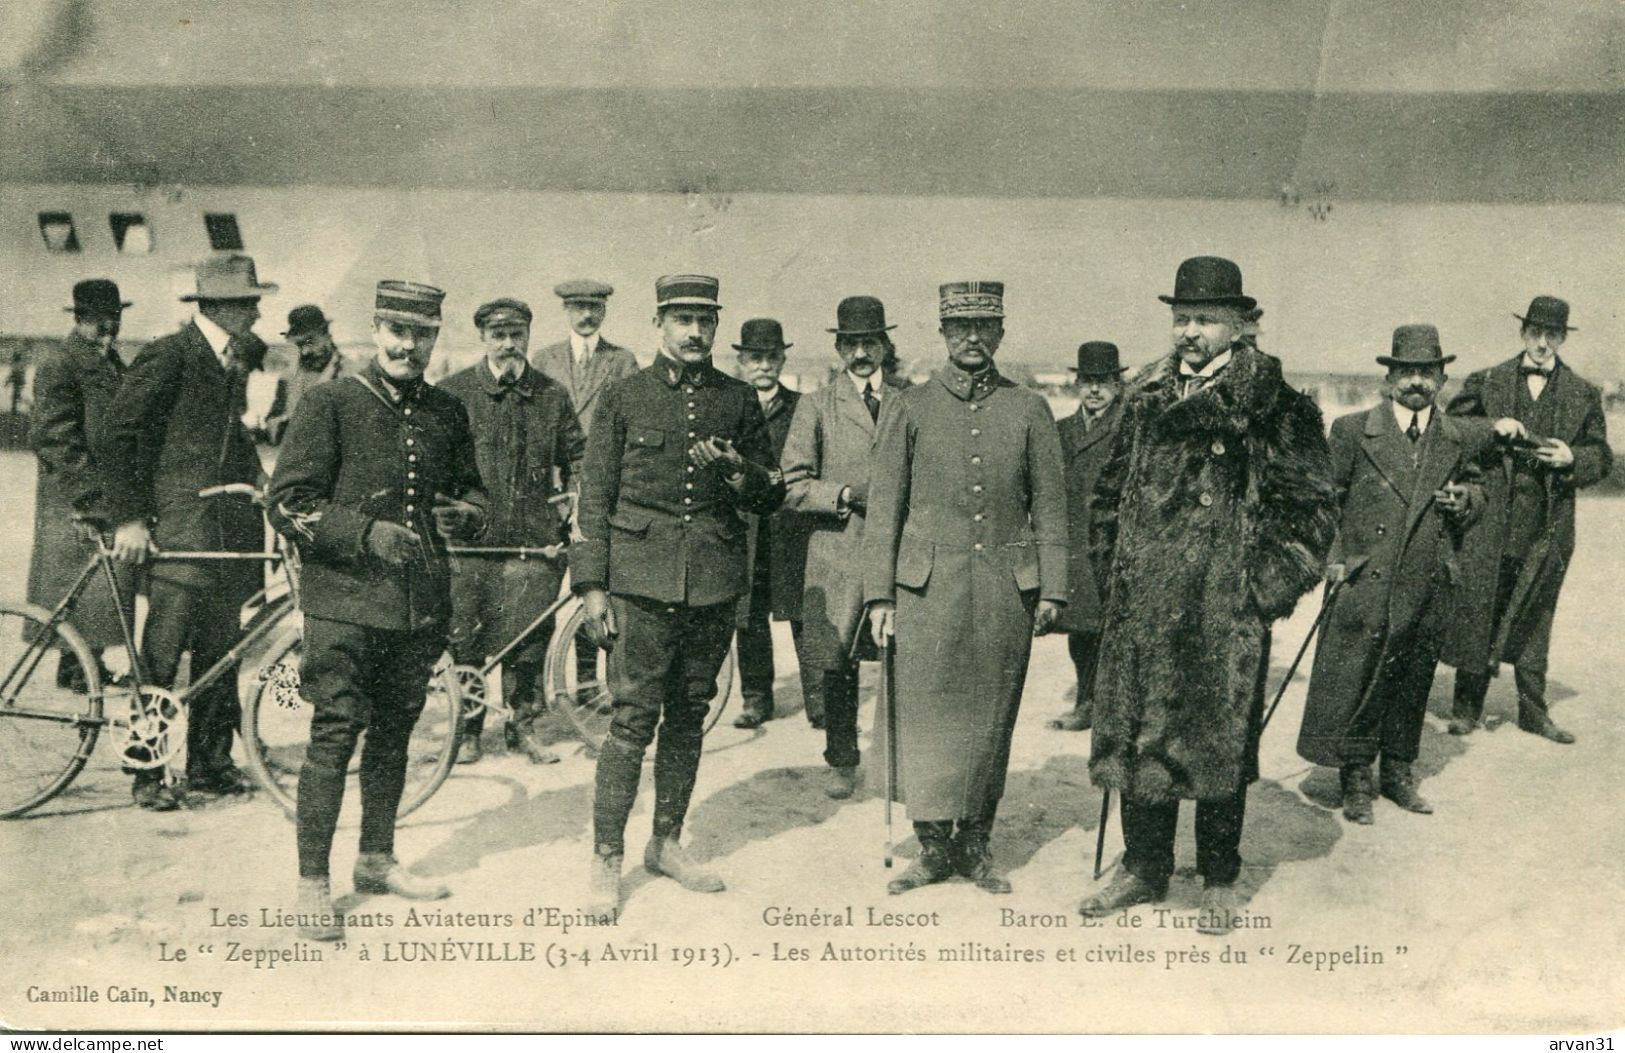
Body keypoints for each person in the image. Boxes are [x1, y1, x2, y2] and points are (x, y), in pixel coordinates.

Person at [1078, 256, 1336, 933]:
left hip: (1221, 610)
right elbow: (1106, 496)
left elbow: (1310, 512)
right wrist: (1117, 576)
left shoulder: (1275, 405)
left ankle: (1219, 873)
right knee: (1141, 739)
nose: (1188, 331)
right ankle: (1142, 866)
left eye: (1204, 319)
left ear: (1238, 326)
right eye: (1181, 318)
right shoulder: (1143, 398)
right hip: (1142, 606)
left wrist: (1255, 592)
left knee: (1218, 742)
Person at [268, 280, 486, 939]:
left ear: (434, 338)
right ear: (374, 329)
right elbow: (287, 502)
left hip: (413, 603)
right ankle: (312, 884)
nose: (406, 345)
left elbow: (469, 491)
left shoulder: (445, 411)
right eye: (395, 330)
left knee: (395, 733)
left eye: (419, 334)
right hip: (342, 602)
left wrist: (466, 515)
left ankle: (375, 858)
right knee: (335, 734)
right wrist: (362, 534)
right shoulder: (331, 401)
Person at [572, 274, 783, 919]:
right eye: (682, 320)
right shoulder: (625, 395)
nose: (694, 333)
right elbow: (595, 499)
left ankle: (665, 843)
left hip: (712, 582)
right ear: (659, 324)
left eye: (705, 321)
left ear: (717, 327)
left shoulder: (739, 398)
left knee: (690, 712)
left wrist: (737, 471)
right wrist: (592, 586)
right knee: (632, 718)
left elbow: (768, 491)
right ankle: (607, 858)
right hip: (638, 584)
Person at [863, 281, 1067, 896]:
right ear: (944, 334)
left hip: (1007, 591)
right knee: (926, 715)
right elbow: (884, 510)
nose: (972, 339)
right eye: (960, 329)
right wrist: (880, 595)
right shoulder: (911, 406)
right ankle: (931, 848)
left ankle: (975, 845)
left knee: (990, 715)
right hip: (926, 591)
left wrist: (1053, 588)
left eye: (984, 328)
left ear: (1001, 333)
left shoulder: (1029, 409)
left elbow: (1052, 509)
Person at [97, 255, 278, 811]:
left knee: (221, 654)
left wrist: (267, 486)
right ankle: (146, 771)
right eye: (248, 300)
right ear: (218, 306)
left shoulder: (231, 359)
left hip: (228, 535)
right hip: (181, 532)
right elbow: (115, 435)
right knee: (163, 653)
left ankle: (209, 764)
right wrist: (128, 517)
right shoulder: (171, 354)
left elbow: (232, 441)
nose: (256, 308)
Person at [1296, 325, 1484, 824]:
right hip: (1365, 578)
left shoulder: (1455, 436)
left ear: (1442, 378)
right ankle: (1356, 778)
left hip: (1427, 577)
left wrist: (1466, 500)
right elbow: (1324, 501)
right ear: (1390, 377)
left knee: (1410, 677)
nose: (1417, 382)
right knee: (1359, 677)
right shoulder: (1354, 431)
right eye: (1407, 372)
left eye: (1428, 372)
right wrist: (1333, 558)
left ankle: (1398, 773)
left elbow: (1477, 488)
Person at [1442, 296, 1612, 745]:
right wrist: (1494, 424)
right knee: (1481, 604)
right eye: (1534, 332)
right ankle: (1466, 708)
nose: (1541, 342)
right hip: (1490, 521)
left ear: (1562, 337)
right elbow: (1453, 431)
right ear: (1523, 333)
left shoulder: (1583, 392)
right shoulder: (1487, 380)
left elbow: (1602, 455)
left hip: (1548, 525)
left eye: (1551, 334)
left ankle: (1534, 712)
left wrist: (1572, 456)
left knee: (1538, 612)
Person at [438, 297, 585, 765]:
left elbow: (578, 457)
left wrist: (574, 507)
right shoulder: (453, 393)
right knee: (465, 636)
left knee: (528, 639)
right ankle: (466, 731)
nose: (508, 345)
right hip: (470, 543)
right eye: (498, 336)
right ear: (483, 338)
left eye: (516, 335)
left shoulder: (551, 394)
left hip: (532, 541)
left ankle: (522, 727)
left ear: (527, 337)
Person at [779, 295, 894, 792]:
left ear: (885, 346)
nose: (861, 353)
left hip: (896, 550)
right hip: (837, 550)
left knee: (901, 660)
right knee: (838, 663)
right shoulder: (817, 405)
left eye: (870, 342)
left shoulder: (908, 402)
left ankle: (897, 764)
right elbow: (792, 483)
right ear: (840, 349)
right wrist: (845, 494)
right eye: (851, 344)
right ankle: (843, 761)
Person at [27, 279, 139, 688]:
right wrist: (87, 493)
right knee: (80, 584)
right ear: (78, 319)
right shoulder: (61, 362)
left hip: (98, 488)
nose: (108, 328)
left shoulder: (109, 360)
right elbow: (52, 436)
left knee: (97, 585)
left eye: (114, 319)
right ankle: (77, 669)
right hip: (74, 495)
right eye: (98, 321)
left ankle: (81, 666)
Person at [531, 280, 640, 689]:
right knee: (541, 590)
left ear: (604, 311)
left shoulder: (622, 361)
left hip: (600, 488)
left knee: (594, 586)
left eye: (593, 307)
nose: (586, 315)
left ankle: (591, 682)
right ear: (566, 311)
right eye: (578, 307)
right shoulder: (544, 359)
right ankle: (535, 689)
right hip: (553, 491)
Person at [728, 318, 812, 732]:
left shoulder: (801, 407)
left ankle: (819, 700)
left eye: (771, 357)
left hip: (790, 526)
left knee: (803, 614)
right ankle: (756, 699)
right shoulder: (729, 407)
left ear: (782, 360)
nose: (763, 366)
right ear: (741, 362)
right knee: (749, 616)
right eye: (754, 358)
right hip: (746, 529)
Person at [1047, 341, 1128, 733]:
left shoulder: (1130, 431)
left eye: (1104, 382)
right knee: (1080, 630)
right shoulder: (1061, 431)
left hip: (1113, 544)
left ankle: (1105, 707)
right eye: (1088, 382)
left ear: (1118, 384)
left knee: (1111, 631)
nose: (1095, 391)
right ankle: (1087, 701)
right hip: (1074, 544)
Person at [259, 305, 344, 445]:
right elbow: (272, 420)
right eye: (299, 344)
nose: (305, 351)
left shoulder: (350, 374)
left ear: (327, 336)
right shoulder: (288, 378)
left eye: (310, 342)